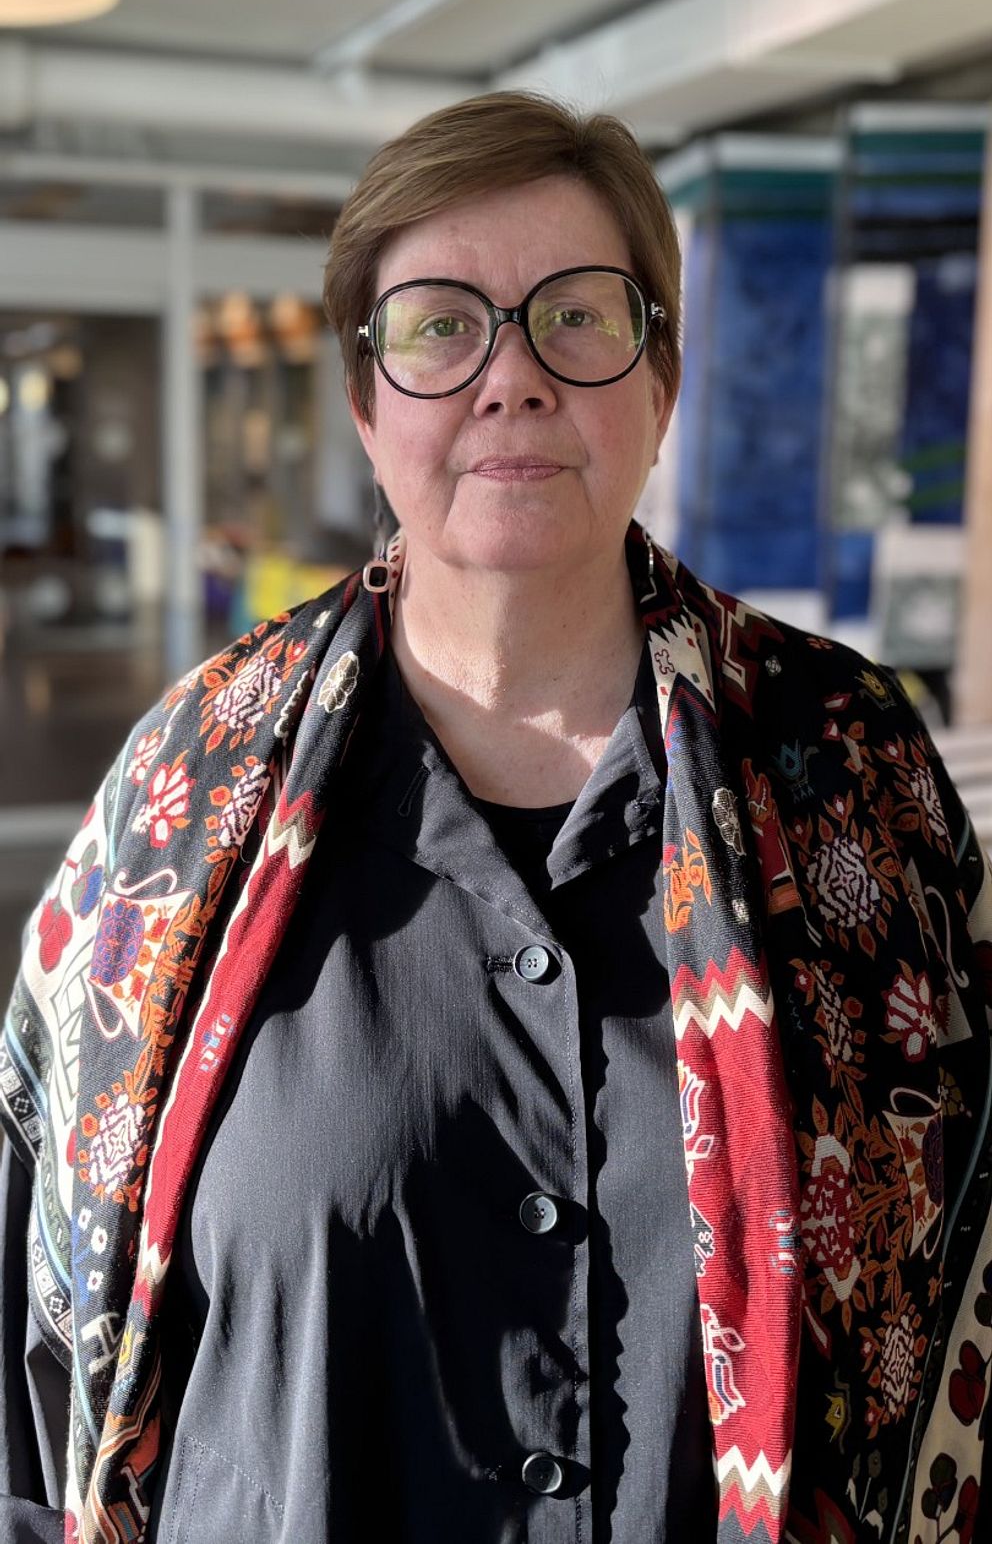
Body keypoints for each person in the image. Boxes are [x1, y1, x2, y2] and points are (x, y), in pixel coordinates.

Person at [1, 91, 990, 1544]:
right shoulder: (185, 788)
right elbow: (38, 1354)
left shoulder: (853, 768)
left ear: (662, 380)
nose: (511, 377)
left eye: (577, 317)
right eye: (440, 327)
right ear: (367, 402)